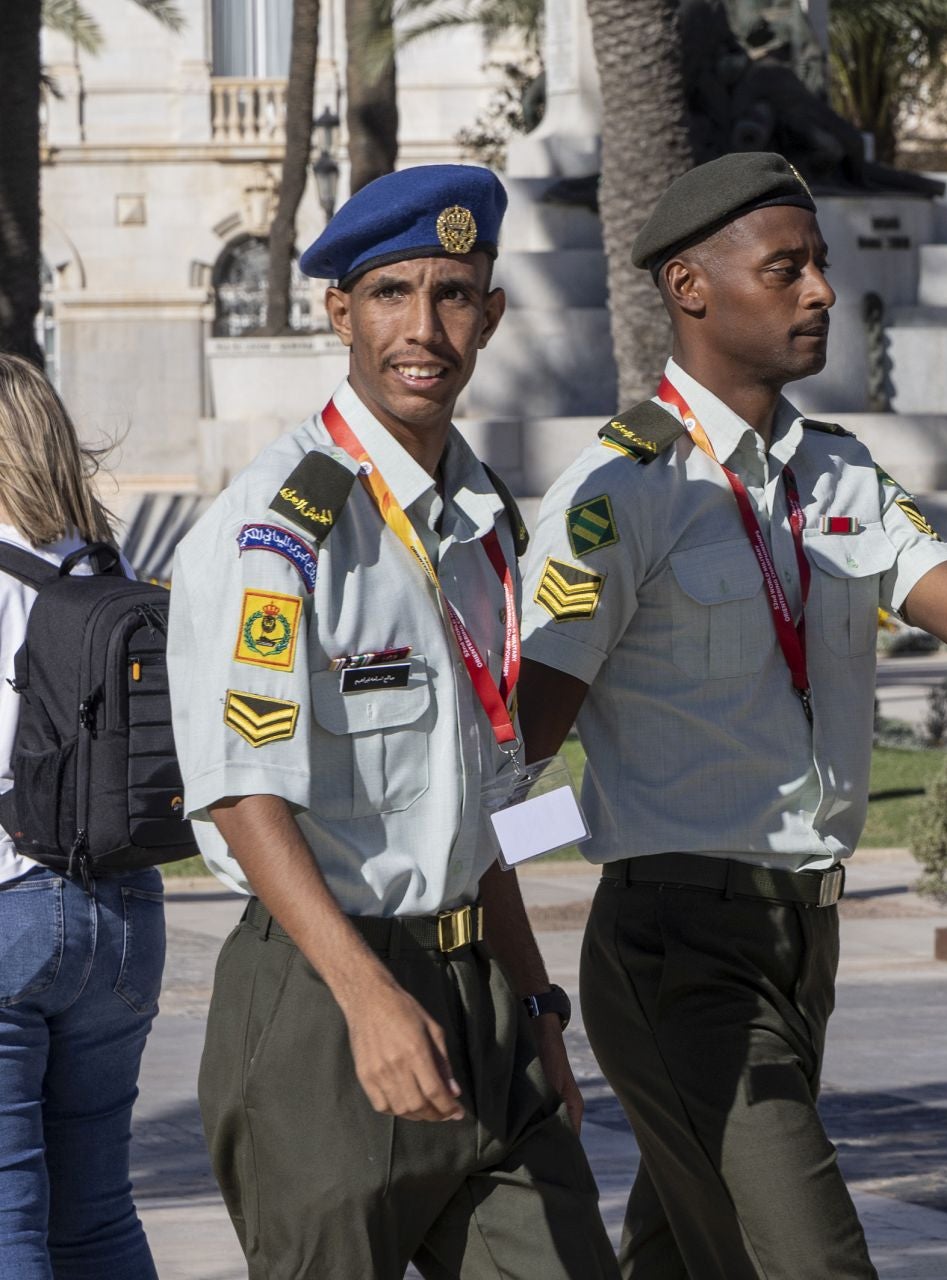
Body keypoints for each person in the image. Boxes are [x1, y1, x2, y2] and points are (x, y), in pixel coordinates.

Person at [511, 151, 947, 1280]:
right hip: (679, 945)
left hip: (803, 942)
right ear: (690, 286)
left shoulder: (840, 476)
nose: (822, 291)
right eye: (785, 269)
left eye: (821, 266)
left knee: (685, 1254)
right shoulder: (618, 491)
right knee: (813, 1258)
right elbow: (527, 729)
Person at [166, 165, 619, 1279]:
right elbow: (239, 787)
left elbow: (481, 799)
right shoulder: (281, 528)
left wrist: (538, 1005)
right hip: (325, 1001)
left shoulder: (482, 521)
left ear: (493, 314)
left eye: (455, 294)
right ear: (339, 312)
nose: (425, 328)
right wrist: (368, 1000)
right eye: (392, 294)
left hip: (481, 1002)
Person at [0, 354, 162, 1280]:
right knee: (100, 1217)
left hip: (13, 905)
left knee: (9, 1222)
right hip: (128, 913)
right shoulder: (107, 563)